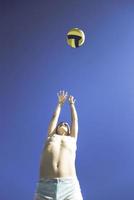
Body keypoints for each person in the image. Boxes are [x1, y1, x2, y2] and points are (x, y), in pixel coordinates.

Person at [34, 90, 83, 200]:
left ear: (70, 130)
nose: (64, 124)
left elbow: (75, 119)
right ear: (56, 128)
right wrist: (60, 104)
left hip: (69, 187)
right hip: (44, 188)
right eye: (61, 123)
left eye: (66, 124)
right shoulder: (51, 136)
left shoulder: (72, 139)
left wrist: (71, 104)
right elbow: (54, 117)